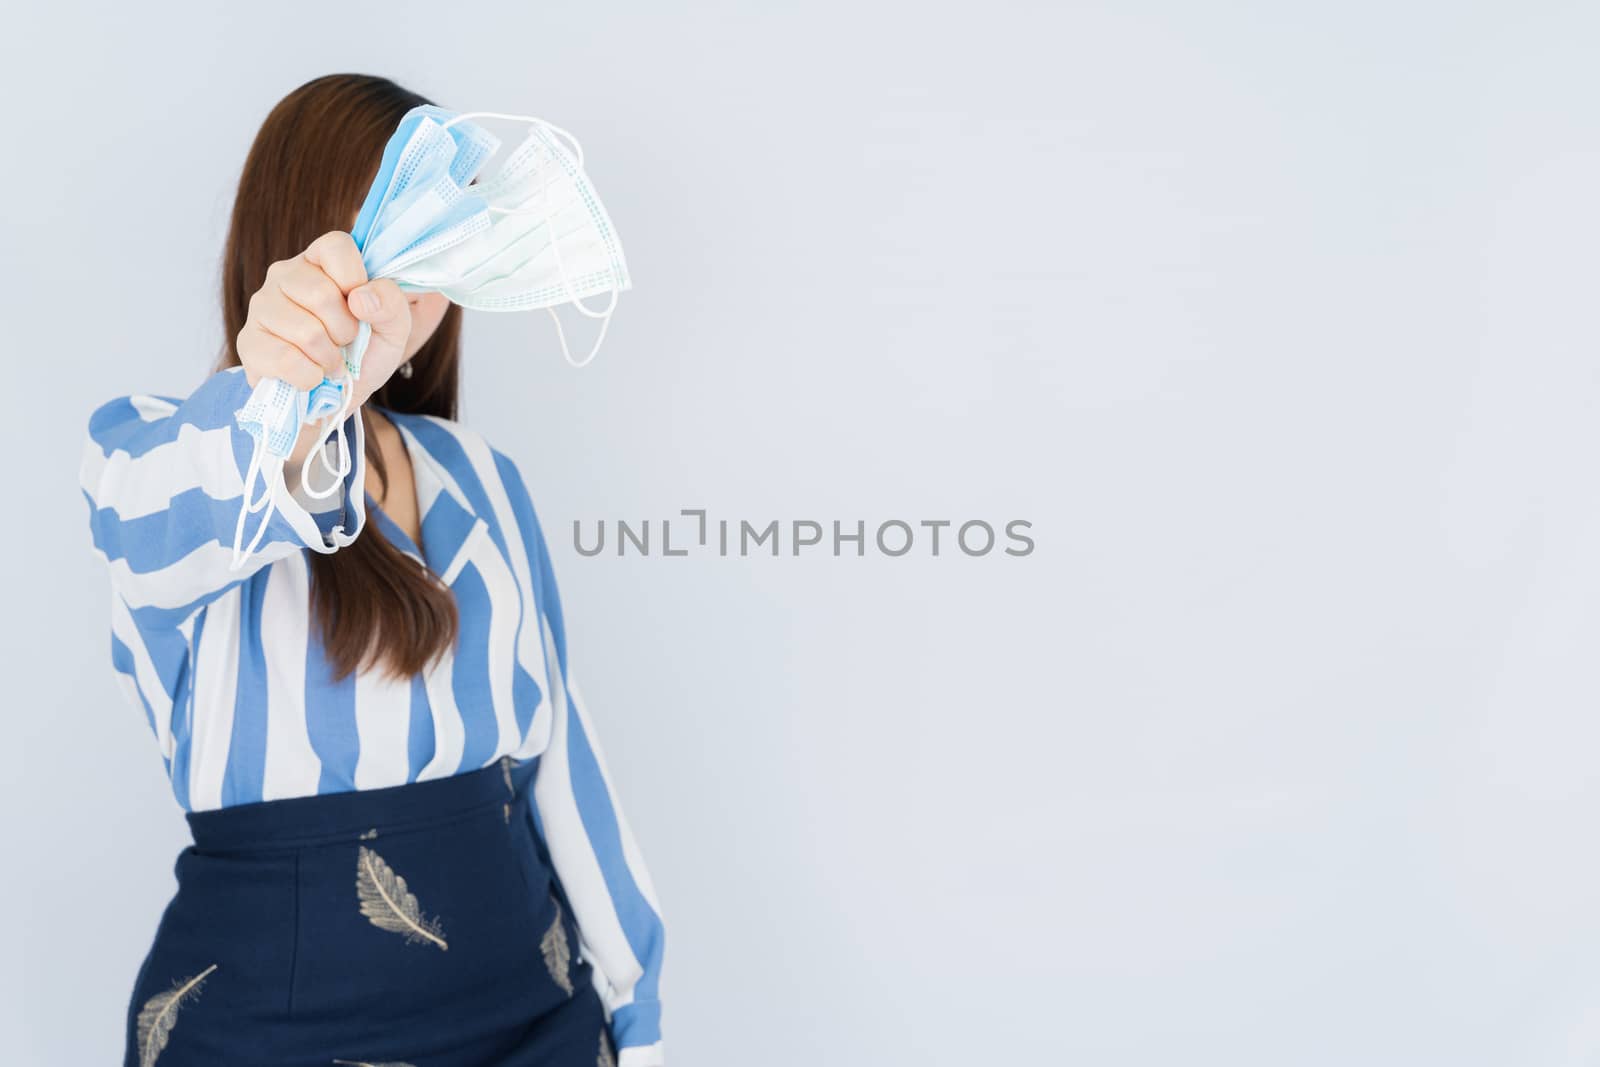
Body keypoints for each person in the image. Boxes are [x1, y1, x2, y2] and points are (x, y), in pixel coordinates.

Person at [78, 73, 666, 1067]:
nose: (396, 291)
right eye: (374, 244)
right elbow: (180, 504)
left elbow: (560, 760)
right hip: (272, 1018)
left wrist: (636, 1016)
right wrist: (293, 400)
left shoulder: (480, 475)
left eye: (434, 245)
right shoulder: (158, 453)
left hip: (532, 1004)